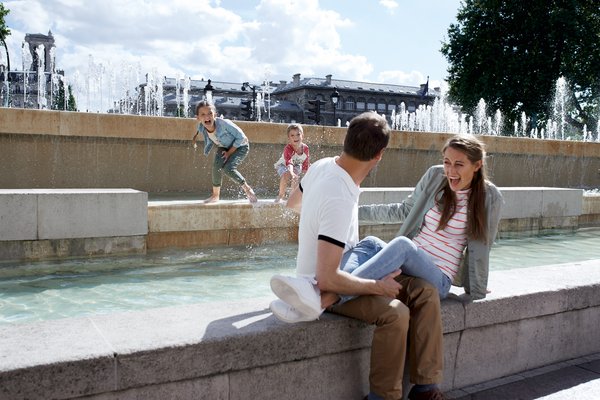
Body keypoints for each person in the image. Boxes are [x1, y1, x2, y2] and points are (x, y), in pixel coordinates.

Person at [269, 111, 446, 400]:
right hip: (326, 283)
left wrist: (318, 220)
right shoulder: (338, 196)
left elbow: (292, 203)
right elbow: (328, 277)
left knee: (424, 290)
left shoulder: (325, 165)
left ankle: (426, 389)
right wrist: (377, 286)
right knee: (395, 313)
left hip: (352, 264)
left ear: (346, 140)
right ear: (380, 155)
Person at [359, 135, 503, 300]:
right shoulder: (435, 176)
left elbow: (482, 245)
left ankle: (338, 293)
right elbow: (404, 210)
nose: (451, 171)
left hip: (438, 278)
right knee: (370, 243)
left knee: (402, 245)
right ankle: (333, 285)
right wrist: (354, 212)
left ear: (477, 165)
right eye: (447, 162)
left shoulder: (489, 197)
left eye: (459, 164)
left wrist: (477, 287)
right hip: (409, 263)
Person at [192, 100, 257, 203]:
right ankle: (215, 196)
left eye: (210, 113)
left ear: (215, 115)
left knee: (228, 168)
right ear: (198, 118)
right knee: (216, 166)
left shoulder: (224, 124)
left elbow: (241, 137)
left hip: (241, 145)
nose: (207, 117)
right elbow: (205, 135)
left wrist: (229, 153)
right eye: (203, 114)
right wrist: (194, 141)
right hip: (224, 146)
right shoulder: (201, 127)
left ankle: (247, 189)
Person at [273, 123, 310, 203]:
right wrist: (291, 172)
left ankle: (292, 196)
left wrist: (307, 173)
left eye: (298, 134)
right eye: (292, 135)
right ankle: (281, 195)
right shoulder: (288, 148)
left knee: (295, 178)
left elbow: (306, 163)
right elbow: (289, 162)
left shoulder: (305, 148)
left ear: (302, 136)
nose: (295, 137)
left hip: (296, 165)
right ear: (289, 138)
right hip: (283, 165)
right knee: (286, 175)